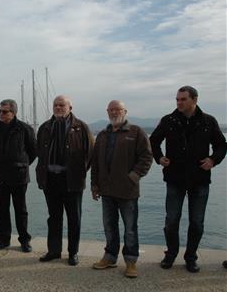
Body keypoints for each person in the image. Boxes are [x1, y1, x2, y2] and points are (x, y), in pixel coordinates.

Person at [149, 86, 226, 273]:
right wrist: (159, 157)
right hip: (174, 178)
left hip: (199, 179)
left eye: (183, 99)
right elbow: (153, 141)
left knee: (197, 222)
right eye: (177, 99)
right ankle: (171, 254)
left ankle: (191, 257)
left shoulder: (208, 121)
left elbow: (222, 145)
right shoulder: (169, 120)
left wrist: (213, 160)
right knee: (171, 220)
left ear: (194, 99)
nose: (179, 103)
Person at [91, 100, 152, 278]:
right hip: (107, 191)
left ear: (125, 111)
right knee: (109, 227)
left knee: (130, 228)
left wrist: (133, 177)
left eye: (117, 109)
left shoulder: (136, 132)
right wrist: (95, 185)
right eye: (111, 110)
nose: (114, 112)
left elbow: (147, 157)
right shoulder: (102, 135)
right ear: (107, 112)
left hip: (128, 191)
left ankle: (131, 262)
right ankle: (110, 257)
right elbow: (95, 163)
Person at [36, 96, 94, 265]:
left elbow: (90, 153)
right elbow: (39, 151)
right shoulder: (45, 127)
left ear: (70, 107)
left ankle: (73, 253)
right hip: (50, 180)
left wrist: (80, 171)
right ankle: (54, 251)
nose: (58, 107)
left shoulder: (81, 127)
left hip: (72, 180)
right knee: (53, 218)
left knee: (74, 218)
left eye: (62, 105)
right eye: (55, 105)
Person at [0, 99, 37, 253]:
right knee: (2, 209)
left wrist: (21, 163)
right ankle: (3, 239)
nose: (1, 114)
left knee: (20, 209)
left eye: (4, 111)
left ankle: (24, 240)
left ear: (13, 112)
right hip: (0, 175)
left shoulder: (25, 129)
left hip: (19, 175)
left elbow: (33, 151)